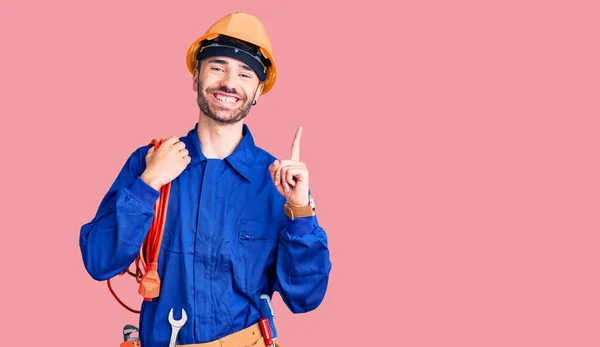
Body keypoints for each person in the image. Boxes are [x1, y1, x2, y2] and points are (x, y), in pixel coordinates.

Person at [79, 11, 332, 347]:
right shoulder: (148, 162)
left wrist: (300, 212)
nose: (229, 82)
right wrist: (147, 185)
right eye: (217, 67)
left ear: (258, 91)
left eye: (245, 73)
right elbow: (99, 262)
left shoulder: (278, 181)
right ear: (196, 76)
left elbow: (306, 298)